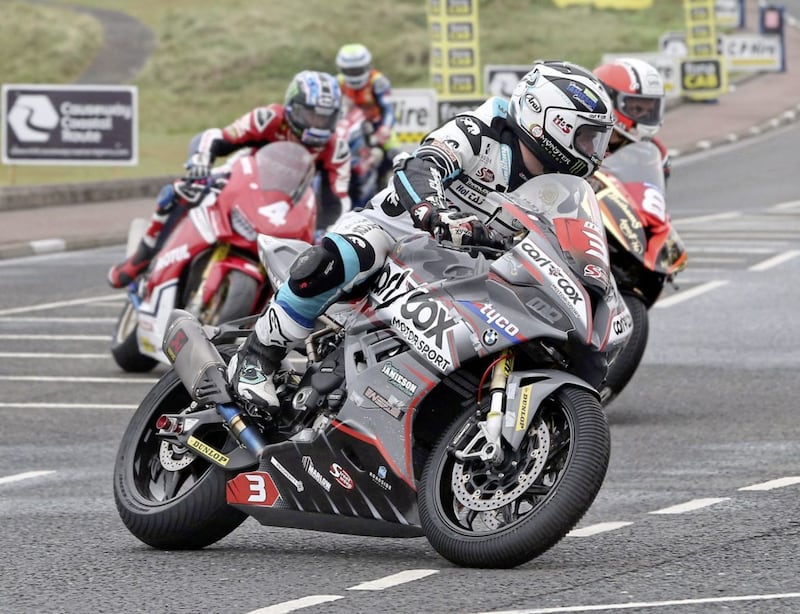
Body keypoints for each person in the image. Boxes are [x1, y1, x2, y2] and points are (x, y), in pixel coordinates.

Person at [227, 60, 616, 412]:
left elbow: (576, 244)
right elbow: (421, 164)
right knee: (349, 254)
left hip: (467, 269)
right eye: (587, 137)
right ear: (551, 121)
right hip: (398, 235)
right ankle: (257, 356)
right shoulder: (479, 131)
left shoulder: (562, 189)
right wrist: (432, 212)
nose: (593, 151)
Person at [108, 70, 351, 288]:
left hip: (288, 203)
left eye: (324, 118)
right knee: (181, 191)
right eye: (311, 115)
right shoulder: (268, 118)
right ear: (293, 107)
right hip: (242, 179)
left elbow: (337, 200)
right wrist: (200, 163)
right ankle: (142, 258)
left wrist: (327, 231)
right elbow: (217, 138)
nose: (317, 125)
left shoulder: (335, 149)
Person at [592, 57, 671, 180]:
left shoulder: (655, 152)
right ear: (608, 101)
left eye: (650, 111)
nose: (645, 116)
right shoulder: (582, 142)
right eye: (637, 109)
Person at [334, 43, 399, 179]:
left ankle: (390, 187)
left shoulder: (378, 81)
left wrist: (385, 128)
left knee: (396, 156)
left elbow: (389, 109)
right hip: (349, 128)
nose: (354, 75)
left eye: (358, 70)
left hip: (376, 127)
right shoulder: (337, 83)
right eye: (350, 71)